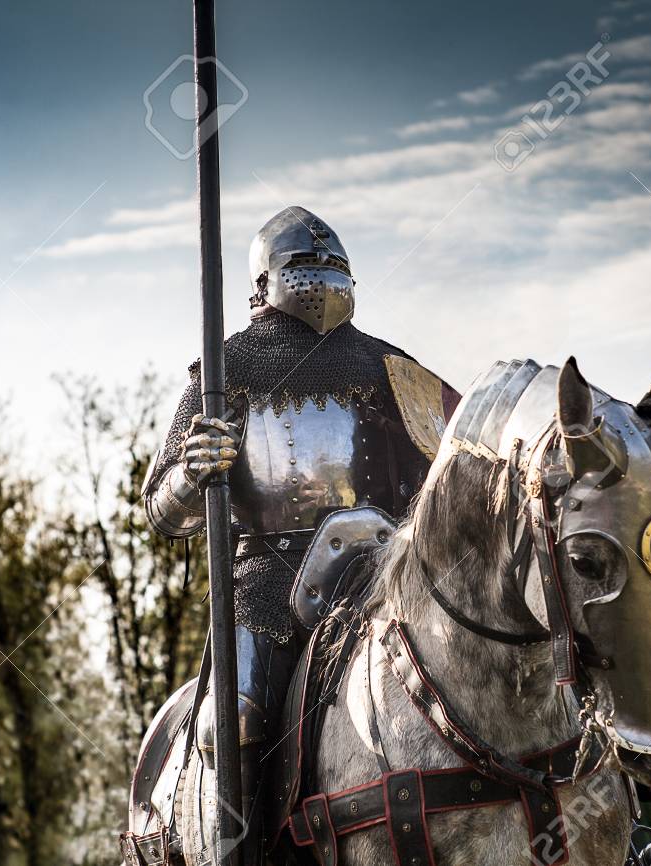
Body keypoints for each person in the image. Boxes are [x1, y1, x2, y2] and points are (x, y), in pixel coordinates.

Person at [142, 206, 457, 866]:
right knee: (237, 717)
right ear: (263, 284)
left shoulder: (390, 367)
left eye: (333, 268)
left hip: (382, 574)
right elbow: (159, 507)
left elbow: (453, 465)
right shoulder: (226, 370)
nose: (319, 281)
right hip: (266, 582)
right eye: (303, 268)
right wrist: (194, 472)